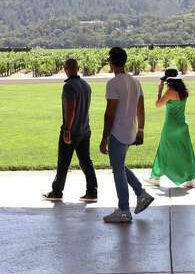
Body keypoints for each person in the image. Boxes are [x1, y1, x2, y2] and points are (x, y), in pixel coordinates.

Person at [99, 47, 154, 223]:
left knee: (117, 170)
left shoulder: (113, 84)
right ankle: (141, 193)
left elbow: (110, 113)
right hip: (130, 130)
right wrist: (141, 130)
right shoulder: (135, 82)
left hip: (117, 132)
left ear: (111, 62)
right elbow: (141, 108)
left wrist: (104, 138)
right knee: (120, 165)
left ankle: (124, 209)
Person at [42, 58, 98, 203]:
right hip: (85, 129)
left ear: (65, 69)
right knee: (86, 161)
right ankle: (92, 191)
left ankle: (57, 191)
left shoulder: (69, 86)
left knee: (63, 162)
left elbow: (71, 108)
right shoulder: (86, 85)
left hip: (72, 131)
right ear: (77, 68)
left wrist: (67, 129)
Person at [148, 68, 195, 189]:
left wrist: (159, 90)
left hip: (170, 126)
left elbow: (158, 105)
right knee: (185, 152)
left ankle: (156, 177)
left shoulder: (170, 92)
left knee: (163, 150)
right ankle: (190, 179)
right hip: (182, 126)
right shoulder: (184, 92)